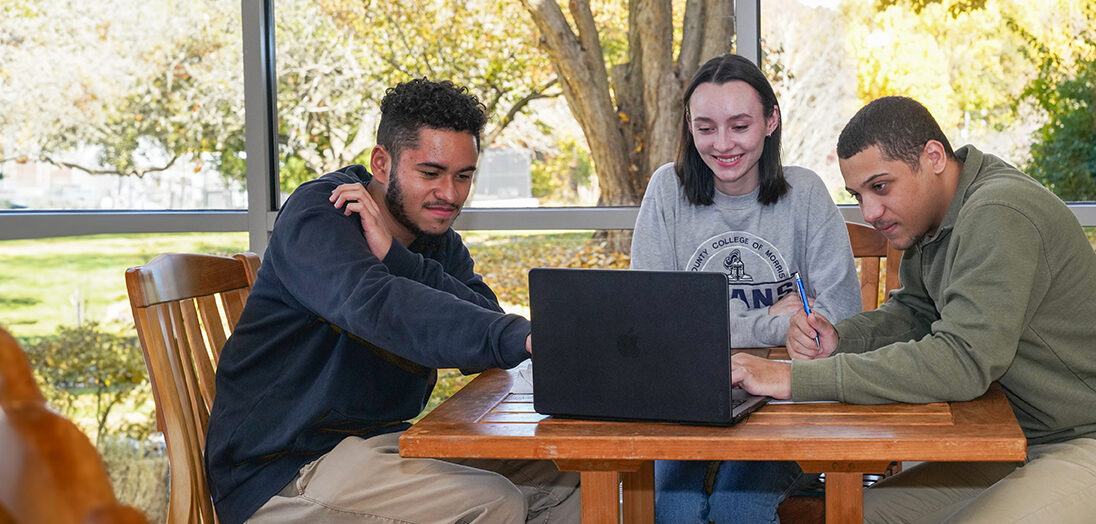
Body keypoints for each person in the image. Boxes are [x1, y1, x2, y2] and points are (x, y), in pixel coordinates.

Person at [204, 78, 579, 524]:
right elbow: (379, 305)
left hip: (381, 446)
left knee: (569, 476)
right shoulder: (321, 215)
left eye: (464, 176)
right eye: (430, 173)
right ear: (381, 163)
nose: (450, 194)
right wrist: (520, 335)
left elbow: (486, 321)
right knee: (494, 502)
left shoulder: (434, 237)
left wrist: (398, 257)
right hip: (282, 471)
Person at [734, 95, 1096, 523]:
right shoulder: (933, 218)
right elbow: (916, 314)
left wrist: (794, 378)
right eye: (858, 194)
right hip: (1015, 436)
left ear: (933, 157)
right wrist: (840, 339)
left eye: (881, 187)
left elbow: (959, 362)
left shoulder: (1000, 213)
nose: (870, 212)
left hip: (1079, 438)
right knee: (855, 516)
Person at [630, 53, 861, 524]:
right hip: (685, 399)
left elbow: (842, 312)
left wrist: (707, 323)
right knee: (673, 509)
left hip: (783, 400)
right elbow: (654, 322)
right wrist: (777, 322)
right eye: (706, 127)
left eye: (739, 125)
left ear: (771, 120)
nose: (722, 144)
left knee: (737, 506)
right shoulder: (665, 191)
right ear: (689, 127)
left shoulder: (806, 193)